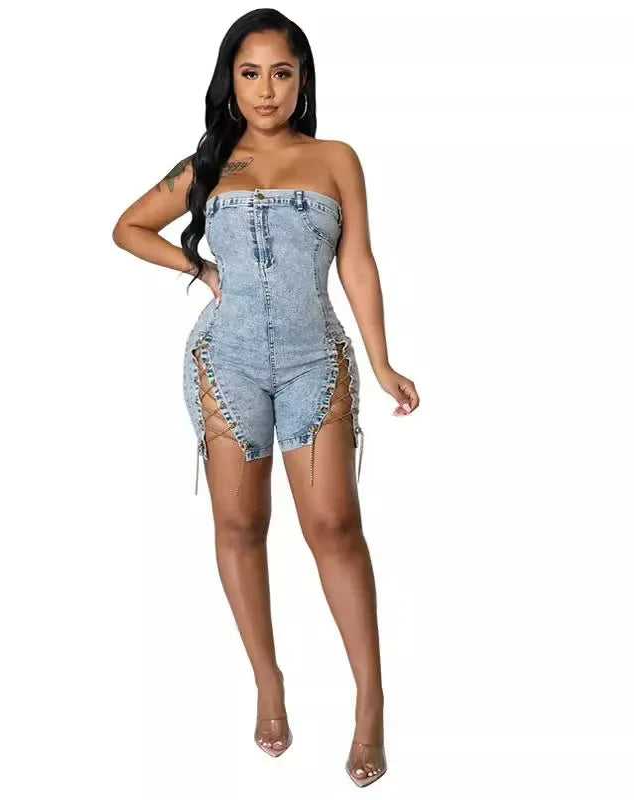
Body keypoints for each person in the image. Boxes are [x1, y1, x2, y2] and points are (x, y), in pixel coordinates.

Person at [112, 9, 419, 788]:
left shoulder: (335, 158)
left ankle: (371, 702)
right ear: (230, 81)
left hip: (316, 359)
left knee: (334, 526)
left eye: (282, 72)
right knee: (239, 524)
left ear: (302, 78)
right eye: (250, 73)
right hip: (228, 363)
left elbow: (358, 262)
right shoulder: (209, 162)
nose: (266, 89)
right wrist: (204, 271)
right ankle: (269, 683)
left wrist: (382, 362)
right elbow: (129, 227)